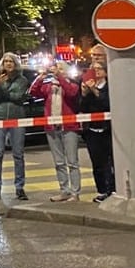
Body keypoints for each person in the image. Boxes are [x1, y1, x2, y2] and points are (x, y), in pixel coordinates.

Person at [29, 61, 82, 202]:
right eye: (55, 69)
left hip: (69, 126)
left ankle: (75, 193)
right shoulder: (49, 87)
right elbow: (33, 91)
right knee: (59, 162)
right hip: (52, 127)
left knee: (72, 162)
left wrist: (60, 77)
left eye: (60, 69)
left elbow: (71, 93)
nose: (56, 71)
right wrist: (41, 77)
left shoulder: (72, 84)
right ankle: (64, 190)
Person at [0, 52, 30, 201]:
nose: (8, 64)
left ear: (16, 64)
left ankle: (20, 187)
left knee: (18, 153)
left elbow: (18, 97)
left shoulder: (22, 79)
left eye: (11, 61)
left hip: (17, 117)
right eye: (5, 61)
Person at [79, 60, 115, 203]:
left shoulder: (110, 87)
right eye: (94, 69)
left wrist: (95, 91)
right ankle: (101, 190)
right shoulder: (87, 87)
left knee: (111, 162)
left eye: (99, 69)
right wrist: (85, 93)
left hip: (108, 129)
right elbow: (83, 108)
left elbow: (107, 104)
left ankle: (112, 189)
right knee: (97, 162)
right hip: (92, 130)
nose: (97, 72)